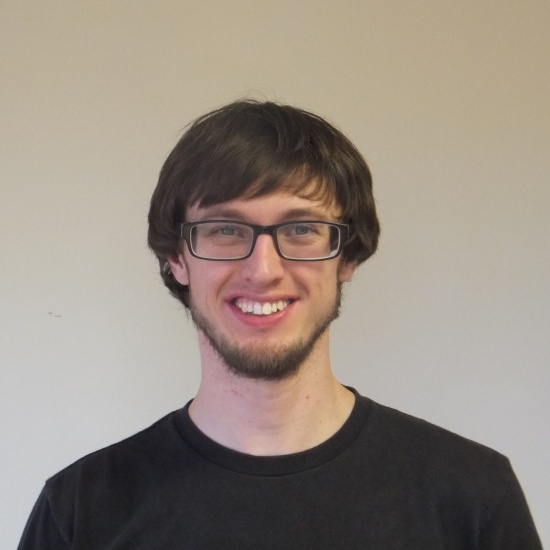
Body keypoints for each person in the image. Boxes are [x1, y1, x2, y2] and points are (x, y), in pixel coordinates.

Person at [18, 100, 542, 549]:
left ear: (348, 256)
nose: (264, 270)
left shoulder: (472, 496)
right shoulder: (79, 512)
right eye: (225, 229)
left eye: (301, 229)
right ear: (177, 258)